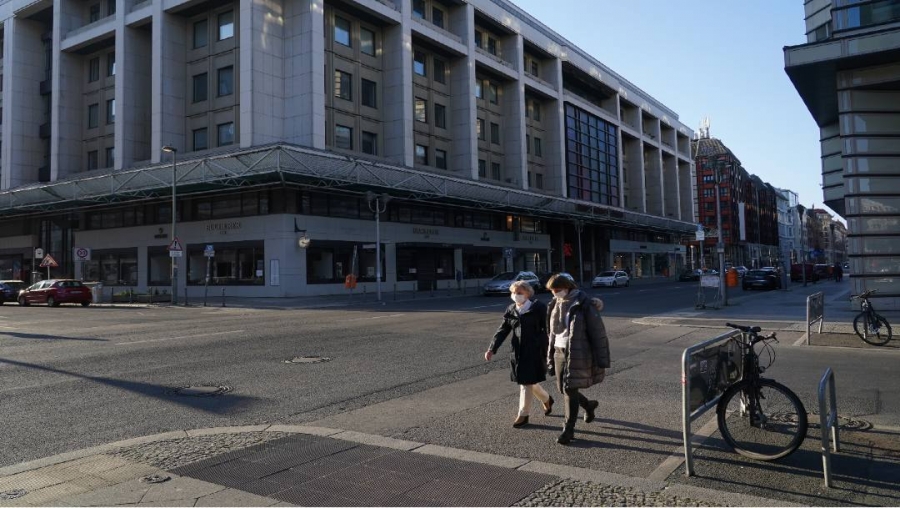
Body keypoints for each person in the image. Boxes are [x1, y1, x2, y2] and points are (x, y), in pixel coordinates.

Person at [546, 273, 610, 445]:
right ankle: (588, 405)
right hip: (558, 349)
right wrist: (549, 355)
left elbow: (597, 332)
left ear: (568, 287)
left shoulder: (583, 303)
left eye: (557, 290)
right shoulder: (554, 303)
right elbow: (551, 333)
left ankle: (568, 429)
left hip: (577, 350)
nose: (554, 293)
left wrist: (601, 357)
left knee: (569, 389)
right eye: (552, 290)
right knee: (564, 389)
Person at [485, 280, 554, 428]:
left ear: (528, 293)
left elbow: (549, 328)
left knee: (526, 382)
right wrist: (492, 348)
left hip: (535, 349)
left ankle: (523, 415)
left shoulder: (538, 308)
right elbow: (503, 330)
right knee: (527, 380)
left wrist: (550, 347)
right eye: (514, 293)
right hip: (517, 349)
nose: (516, 296)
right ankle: (547, 399)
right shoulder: (511, 309)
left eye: (519, 293)